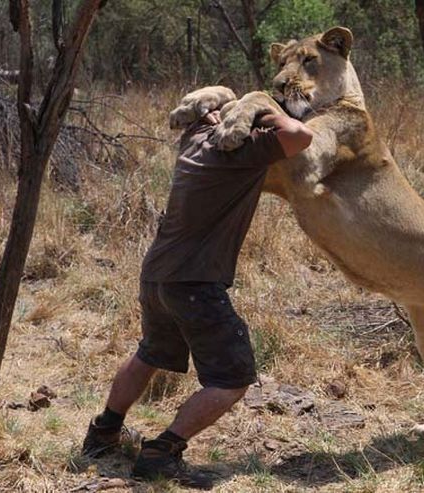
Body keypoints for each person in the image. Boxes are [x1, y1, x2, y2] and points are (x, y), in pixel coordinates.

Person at [81, 95, 313, 487]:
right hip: (195, 283)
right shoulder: (240, 152)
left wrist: (226, 112)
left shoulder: (193, 138)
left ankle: (104, 432)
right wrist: (260, 105)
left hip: (157, 275)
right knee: (232, 377)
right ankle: (162, 452)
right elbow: (300, 135)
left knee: (150, 353)